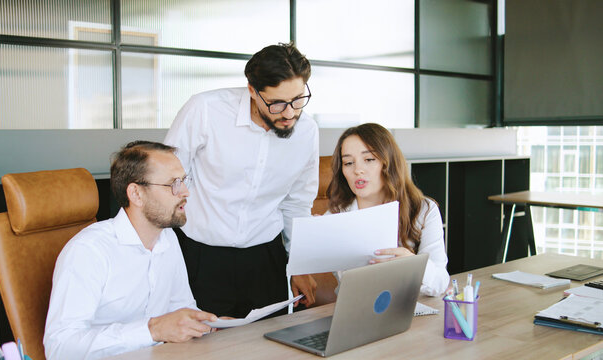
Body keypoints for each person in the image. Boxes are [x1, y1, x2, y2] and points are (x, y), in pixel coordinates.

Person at [163, 42, 318, 318]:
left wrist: (300, 265)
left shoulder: (307, 132)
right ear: (252, 90)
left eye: (298, 100)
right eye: (277, 103)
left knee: (269, 347)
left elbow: (297, 204)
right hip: (202, 256)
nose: (290, 113)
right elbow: (168, 183)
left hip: (266, 258)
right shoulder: (205, 110)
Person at [44, 141, 219, 359]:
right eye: (173, 183)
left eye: (184, 181)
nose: (185, 192)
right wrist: (152, 330)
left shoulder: (168, 238)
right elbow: (60, 347)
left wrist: (207, 325)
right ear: (136, 194)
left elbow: (181, 308)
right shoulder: (88, 251)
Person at [327, 123, 450, 296]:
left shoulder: (424, 210)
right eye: (348, 162)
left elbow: (440, 283)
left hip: (413, 309)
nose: (357, 170)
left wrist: (413, 264)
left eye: (369, 159)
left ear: (388, 162)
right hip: (357, 310)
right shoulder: (337, 215)